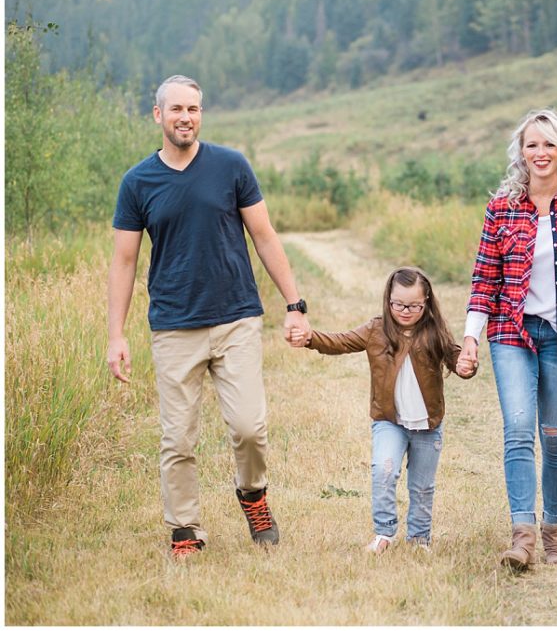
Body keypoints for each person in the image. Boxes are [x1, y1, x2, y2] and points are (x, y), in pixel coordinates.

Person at [107, 75, 311, 559]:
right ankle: (185, 530)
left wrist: (294, 305)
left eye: (193, 109)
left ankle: (253, 494)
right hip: (174, 325)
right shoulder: (138, 182)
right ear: (158, 115)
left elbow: (264, 235)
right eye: (176, 109)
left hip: (235, 318)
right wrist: (115, 333)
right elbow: (124, 261)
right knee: (177, 437)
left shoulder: (231, 166)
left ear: (201, 113)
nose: (185, 117)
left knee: (248, 428)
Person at [458, 108, 557, 571]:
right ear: (521, 152)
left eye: (549, 144)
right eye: (532, 144)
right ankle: (522, 536)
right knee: (517, 429)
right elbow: (484, 280)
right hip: (513, 332)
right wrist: (471, 338)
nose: (541, 153)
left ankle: (554, 531)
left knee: (554, 436)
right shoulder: (503, 207)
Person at [287, 267, 476, 553]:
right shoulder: (376, 329)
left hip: (428, 424)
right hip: (390, 421)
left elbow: (455, 358)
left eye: (414, 305)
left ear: (426, 303)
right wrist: (311, 337)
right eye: (398, 304)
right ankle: (384, 533)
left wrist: (465, 365)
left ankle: (419, 539)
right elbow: (341, 341)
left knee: (422, 486)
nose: (405, 310)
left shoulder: (434, 330)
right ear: (388, 300)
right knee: (383, 472)